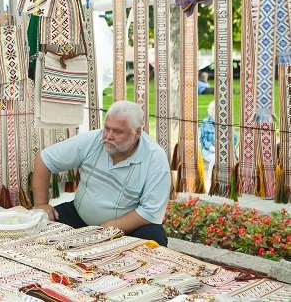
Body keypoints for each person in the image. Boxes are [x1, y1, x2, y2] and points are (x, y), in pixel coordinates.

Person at [32, 101, 171, 247]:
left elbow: (150, 212)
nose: (108, 136)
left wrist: (109, 228)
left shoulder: (155, 158)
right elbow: (45, 159)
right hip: (78, 218)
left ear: (137, 132)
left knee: (153, 239)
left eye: (118, 131)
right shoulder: (93, 140)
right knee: (38, 229)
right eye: (107, 128)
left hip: (127, 230)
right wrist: (41, 204)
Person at [199, 101, 238, 189]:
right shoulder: (206, 122)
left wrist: (227, 148)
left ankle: (230, 183)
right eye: (214, 110)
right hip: (209, 151)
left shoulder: (227, 122)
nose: (216, 112)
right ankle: (210, 181)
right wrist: (212, 148)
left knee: (233, 159)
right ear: (210, 111)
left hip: (225, 150)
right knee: (215, 158)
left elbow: (234, 138)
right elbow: (203, 139)